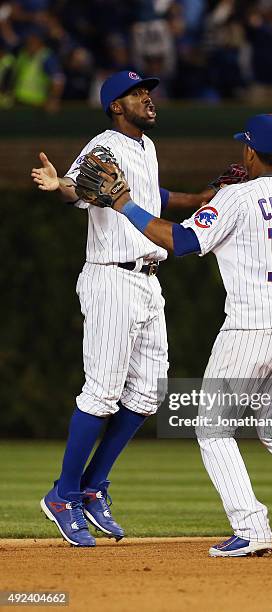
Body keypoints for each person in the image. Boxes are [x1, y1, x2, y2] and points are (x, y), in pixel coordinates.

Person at [105, 102, 272, 558]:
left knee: (212, 430)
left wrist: (122, 204)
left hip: (251, 330)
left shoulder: (233, 198)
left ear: (251, 153)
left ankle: (251, 529)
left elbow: (179, 241)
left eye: (245, 148)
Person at [31, 70, 214, 547]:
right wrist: (62, 185)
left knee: (147, 395)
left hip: (148, 281)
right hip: (112, 277)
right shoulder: (104, 145)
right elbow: (79, 185)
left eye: (148, 90)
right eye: (137, 93)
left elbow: (154, 198)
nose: (148, 98)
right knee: (101, 394)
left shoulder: (145, 148)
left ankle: (91, 486)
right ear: (116, 105)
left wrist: (198, 199)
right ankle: (63, 496)